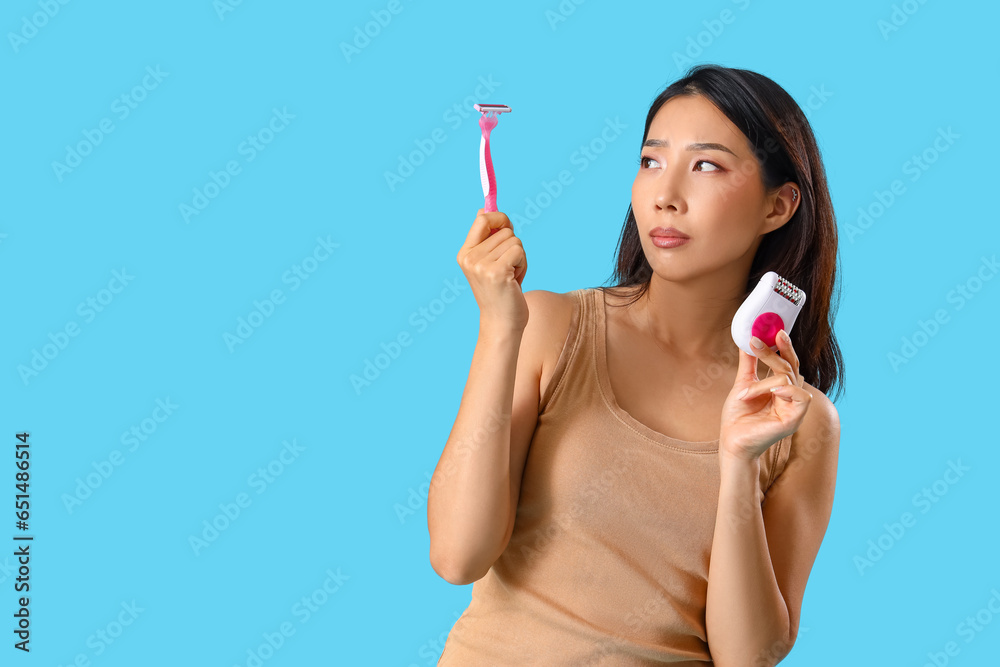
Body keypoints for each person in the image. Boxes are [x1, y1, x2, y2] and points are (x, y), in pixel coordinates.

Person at [427, 64, 843, 666]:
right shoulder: (547, 328)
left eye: (706, 165)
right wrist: (499, 329)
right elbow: (457, 555)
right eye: (651, 161)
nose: (665, 194)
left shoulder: (800, 422)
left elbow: (745, 657)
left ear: (778, 206)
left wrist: (739, 465)